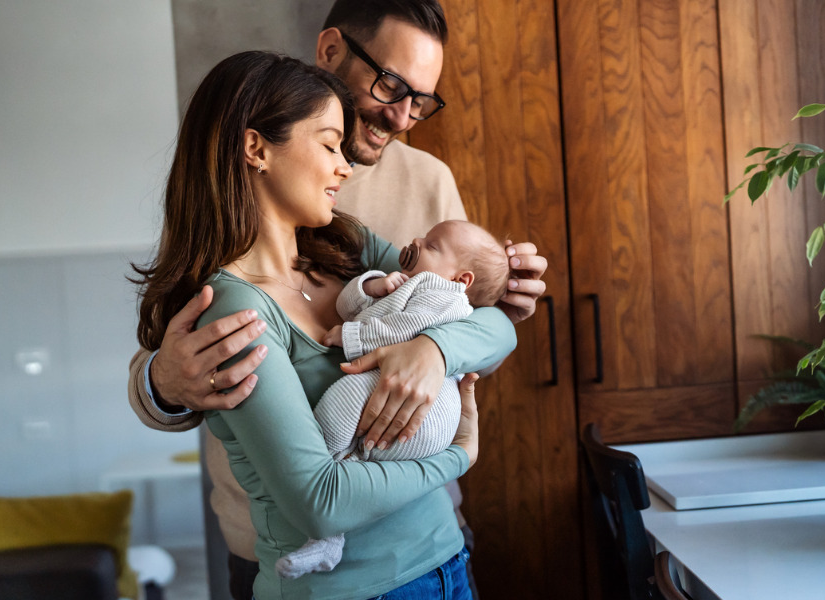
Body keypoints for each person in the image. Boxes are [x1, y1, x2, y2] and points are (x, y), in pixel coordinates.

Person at [127, 1, 546, 597]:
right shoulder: (227, 287)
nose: (402, 115)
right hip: (306, 561)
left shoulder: (346, 233)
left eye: (420, 101)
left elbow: (483, 321)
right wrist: (163, 383)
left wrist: (434, 348)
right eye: (392, 84)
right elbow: (315, 497)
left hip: (438, 546)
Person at [277, 219, 509, 580]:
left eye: (431, 245)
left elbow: (403, 329)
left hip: (428, 412)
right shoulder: (408, 281)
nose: (416, 240)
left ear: (462, 279)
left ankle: (328, 525)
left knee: (341, 401)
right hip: (403, 398)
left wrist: (351, 337)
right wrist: (373, 285)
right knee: (349, 434)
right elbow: (347, 304)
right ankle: (330, 534)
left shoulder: (445, 295)